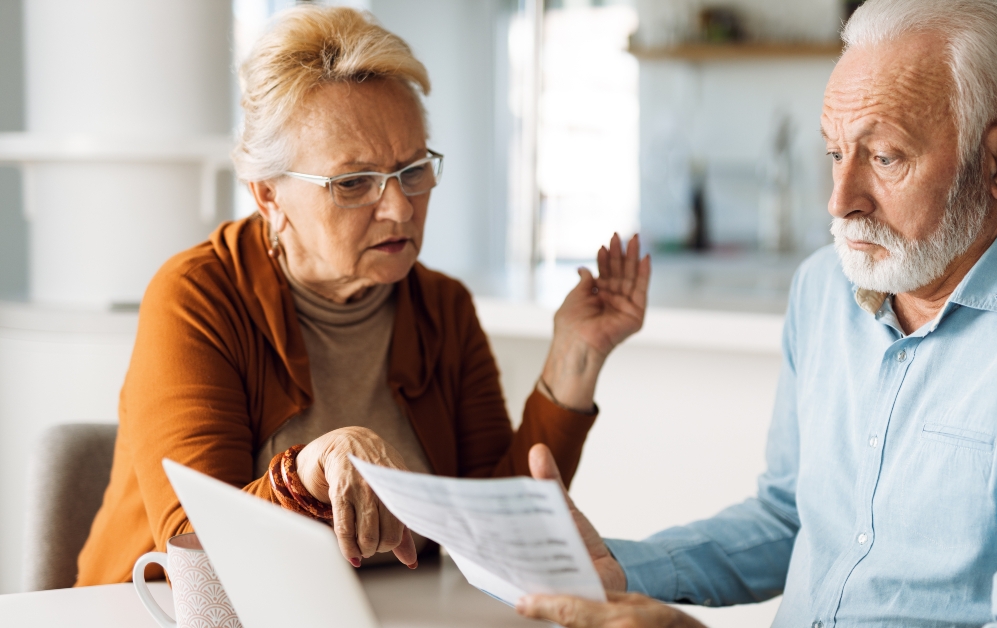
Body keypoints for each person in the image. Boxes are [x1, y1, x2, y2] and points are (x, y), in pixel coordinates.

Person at [515, 0, 997, 626]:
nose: (841, 200)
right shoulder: (823, 291)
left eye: (885, 157)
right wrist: (621, 568)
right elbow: (788, 519)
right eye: (836, 153)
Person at [76, 5, 650, 586]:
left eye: (413, 170)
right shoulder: (198, 297)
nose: (400, 208)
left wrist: (575, 358)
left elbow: (500, 529)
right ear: (268, 196)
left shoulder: (442, 307)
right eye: (352, 183)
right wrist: (307, 474)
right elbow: (194, 550)